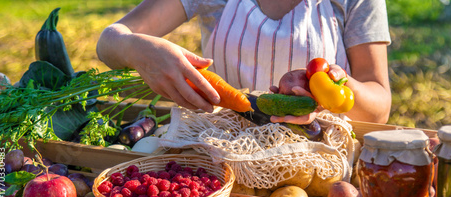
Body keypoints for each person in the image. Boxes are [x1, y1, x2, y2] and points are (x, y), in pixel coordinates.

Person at [96, 0, 392, 124]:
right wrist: (136, 48)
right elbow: (108, 42)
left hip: (321, 170)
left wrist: (331, 90)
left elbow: (379, 107)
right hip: (221, 161)